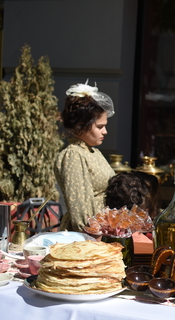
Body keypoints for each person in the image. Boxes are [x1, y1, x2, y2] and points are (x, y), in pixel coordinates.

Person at [55, 81, 116, 232]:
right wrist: (94, 235)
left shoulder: (93, 151)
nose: (105, 131)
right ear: (82, 124)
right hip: (86, 238)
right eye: (100, 126)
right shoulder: (73, 155)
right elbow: (80, 210)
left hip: (101, 232)